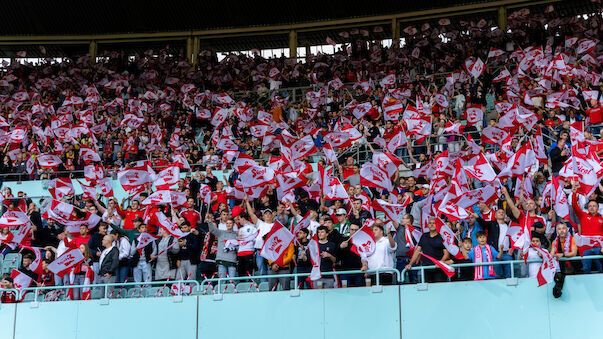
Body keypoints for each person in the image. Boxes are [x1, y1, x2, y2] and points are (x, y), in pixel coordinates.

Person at [571, 181, 603, 273]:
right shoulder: (583, 215)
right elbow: (574, 206)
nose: (592, 207)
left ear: (598, 208)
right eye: (590, 206)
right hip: (586, 247)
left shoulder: (601, 219)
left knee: (601, 268)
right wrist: (574, 193)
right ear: (587, 208)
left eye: (594, 206)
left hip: (599, 247)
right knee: (586, 269)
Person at [405, 217, 450, 283]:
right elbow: (417, 251)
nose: (431, 225)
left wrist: (440, 263)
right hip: (426, 268)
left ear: (437, 225)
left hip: (438, 269)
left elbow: (446, 253)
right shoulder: (424, 236)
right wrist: (410, 264)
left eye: (433, 223)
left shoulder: (442, 237)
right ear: (428, 225)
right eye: (430, 223)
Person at [244, 196, 274, 280]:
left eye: (269, 214)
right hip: (259, 250)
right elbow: (251, 213)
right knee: (261, 269)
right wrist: (247, 202)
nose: (267, 215)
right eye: (266, 214)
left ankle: (271, 286)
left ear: (272, 216)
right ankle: (263, 286)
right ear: (263, 217)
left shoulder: (276, 225)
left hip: (270, 250)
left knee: (271, 269)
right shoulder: (260, 223)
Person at [207, 214, 237, 279]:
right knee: (221, 280)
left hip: (232, 259)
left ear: (233, 224)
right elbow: (213, 230)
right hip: (221, 259)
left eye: (230, 223)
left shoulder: (236, 235)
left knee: (232, 280)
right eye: (227, 223)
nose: (228, 224)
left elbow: (238, 247)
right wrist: (209, 221)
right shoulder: (221, 233)